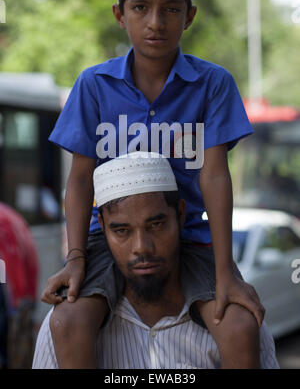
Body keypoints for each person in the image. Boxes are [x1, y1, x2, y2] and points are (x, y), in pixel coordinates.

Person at [42, 0, 265, 369]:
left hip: (189, 240)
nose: (156, 22)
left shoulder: (213, 84)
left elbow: (215, 176)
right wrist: (75, 259)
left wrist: (226, 269)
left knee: (238, 328)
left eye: (171, 9)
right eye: (140, 8)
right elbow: (79, 180)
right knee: (69, 322)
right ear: (120, 14)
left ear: (190, 16)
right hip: (110, 241)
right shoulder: (93, 85)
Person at [33, 153, 279, 369]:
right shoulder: (65, 328)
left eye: (156, 225)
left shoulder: (238, 322)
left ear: (180, 215)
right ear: (104, 228)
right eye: (122, 231)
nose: (141, 247)